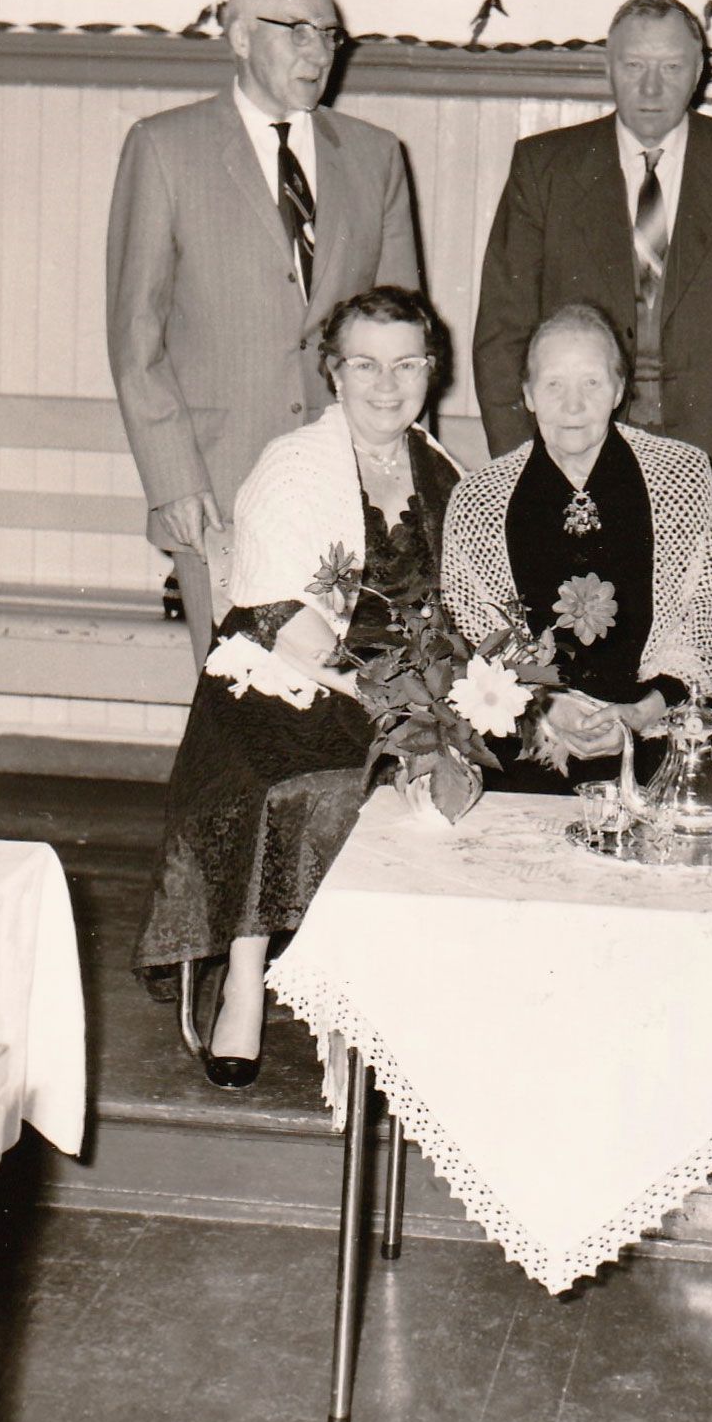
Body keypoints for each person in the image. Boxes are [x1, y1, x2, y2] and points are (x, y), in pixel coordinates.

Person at [135, 288, 460, 1088]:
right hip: (285, 680)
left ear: (431, 370)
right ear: (333, 374)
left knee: (447, 782)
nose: (387, 384)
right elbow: (283, 617)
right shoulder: (295, 464)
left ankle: (393, 997)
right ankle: (246, 980)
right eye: (365, 364)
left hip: (405, 689)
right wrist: (391, 698)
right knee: (294, 786)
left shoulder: (445, 469)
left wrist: (446, 692)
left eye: (407, 364)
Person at [107, 0, 420, 668]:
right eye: (297, 31)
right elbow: (136, 341)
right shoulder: (163, 149)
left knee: (350, 705)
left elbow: (403, 335)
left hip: (348, 478)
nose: (318, 52)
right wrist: (173, 479)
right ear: (240, 37)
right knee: (236, 704)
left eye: (330, 36)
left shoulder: (376, 157)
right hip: (216, 484)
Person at [472, 0, 712, 536]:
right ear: (608, 66)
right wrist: (521, 469)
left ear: (699, 71)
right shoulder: (544, 168)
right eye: (634, 66)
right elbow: (502, 335)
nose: (652, 88)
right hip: (572, 455)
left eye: (671, 67)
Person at [445, 304, 712, 774]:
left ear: (619, 389)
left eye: (592, 383)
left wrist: (641, 715)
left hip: (660, 735)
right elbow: (474, 638)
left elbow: (703, 628)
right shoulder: (477, 500)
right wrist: (546, 707)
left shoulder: (685, 476)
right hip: (525, 742)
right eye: (554, 384)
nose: (572, 405)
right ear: (528, 394)